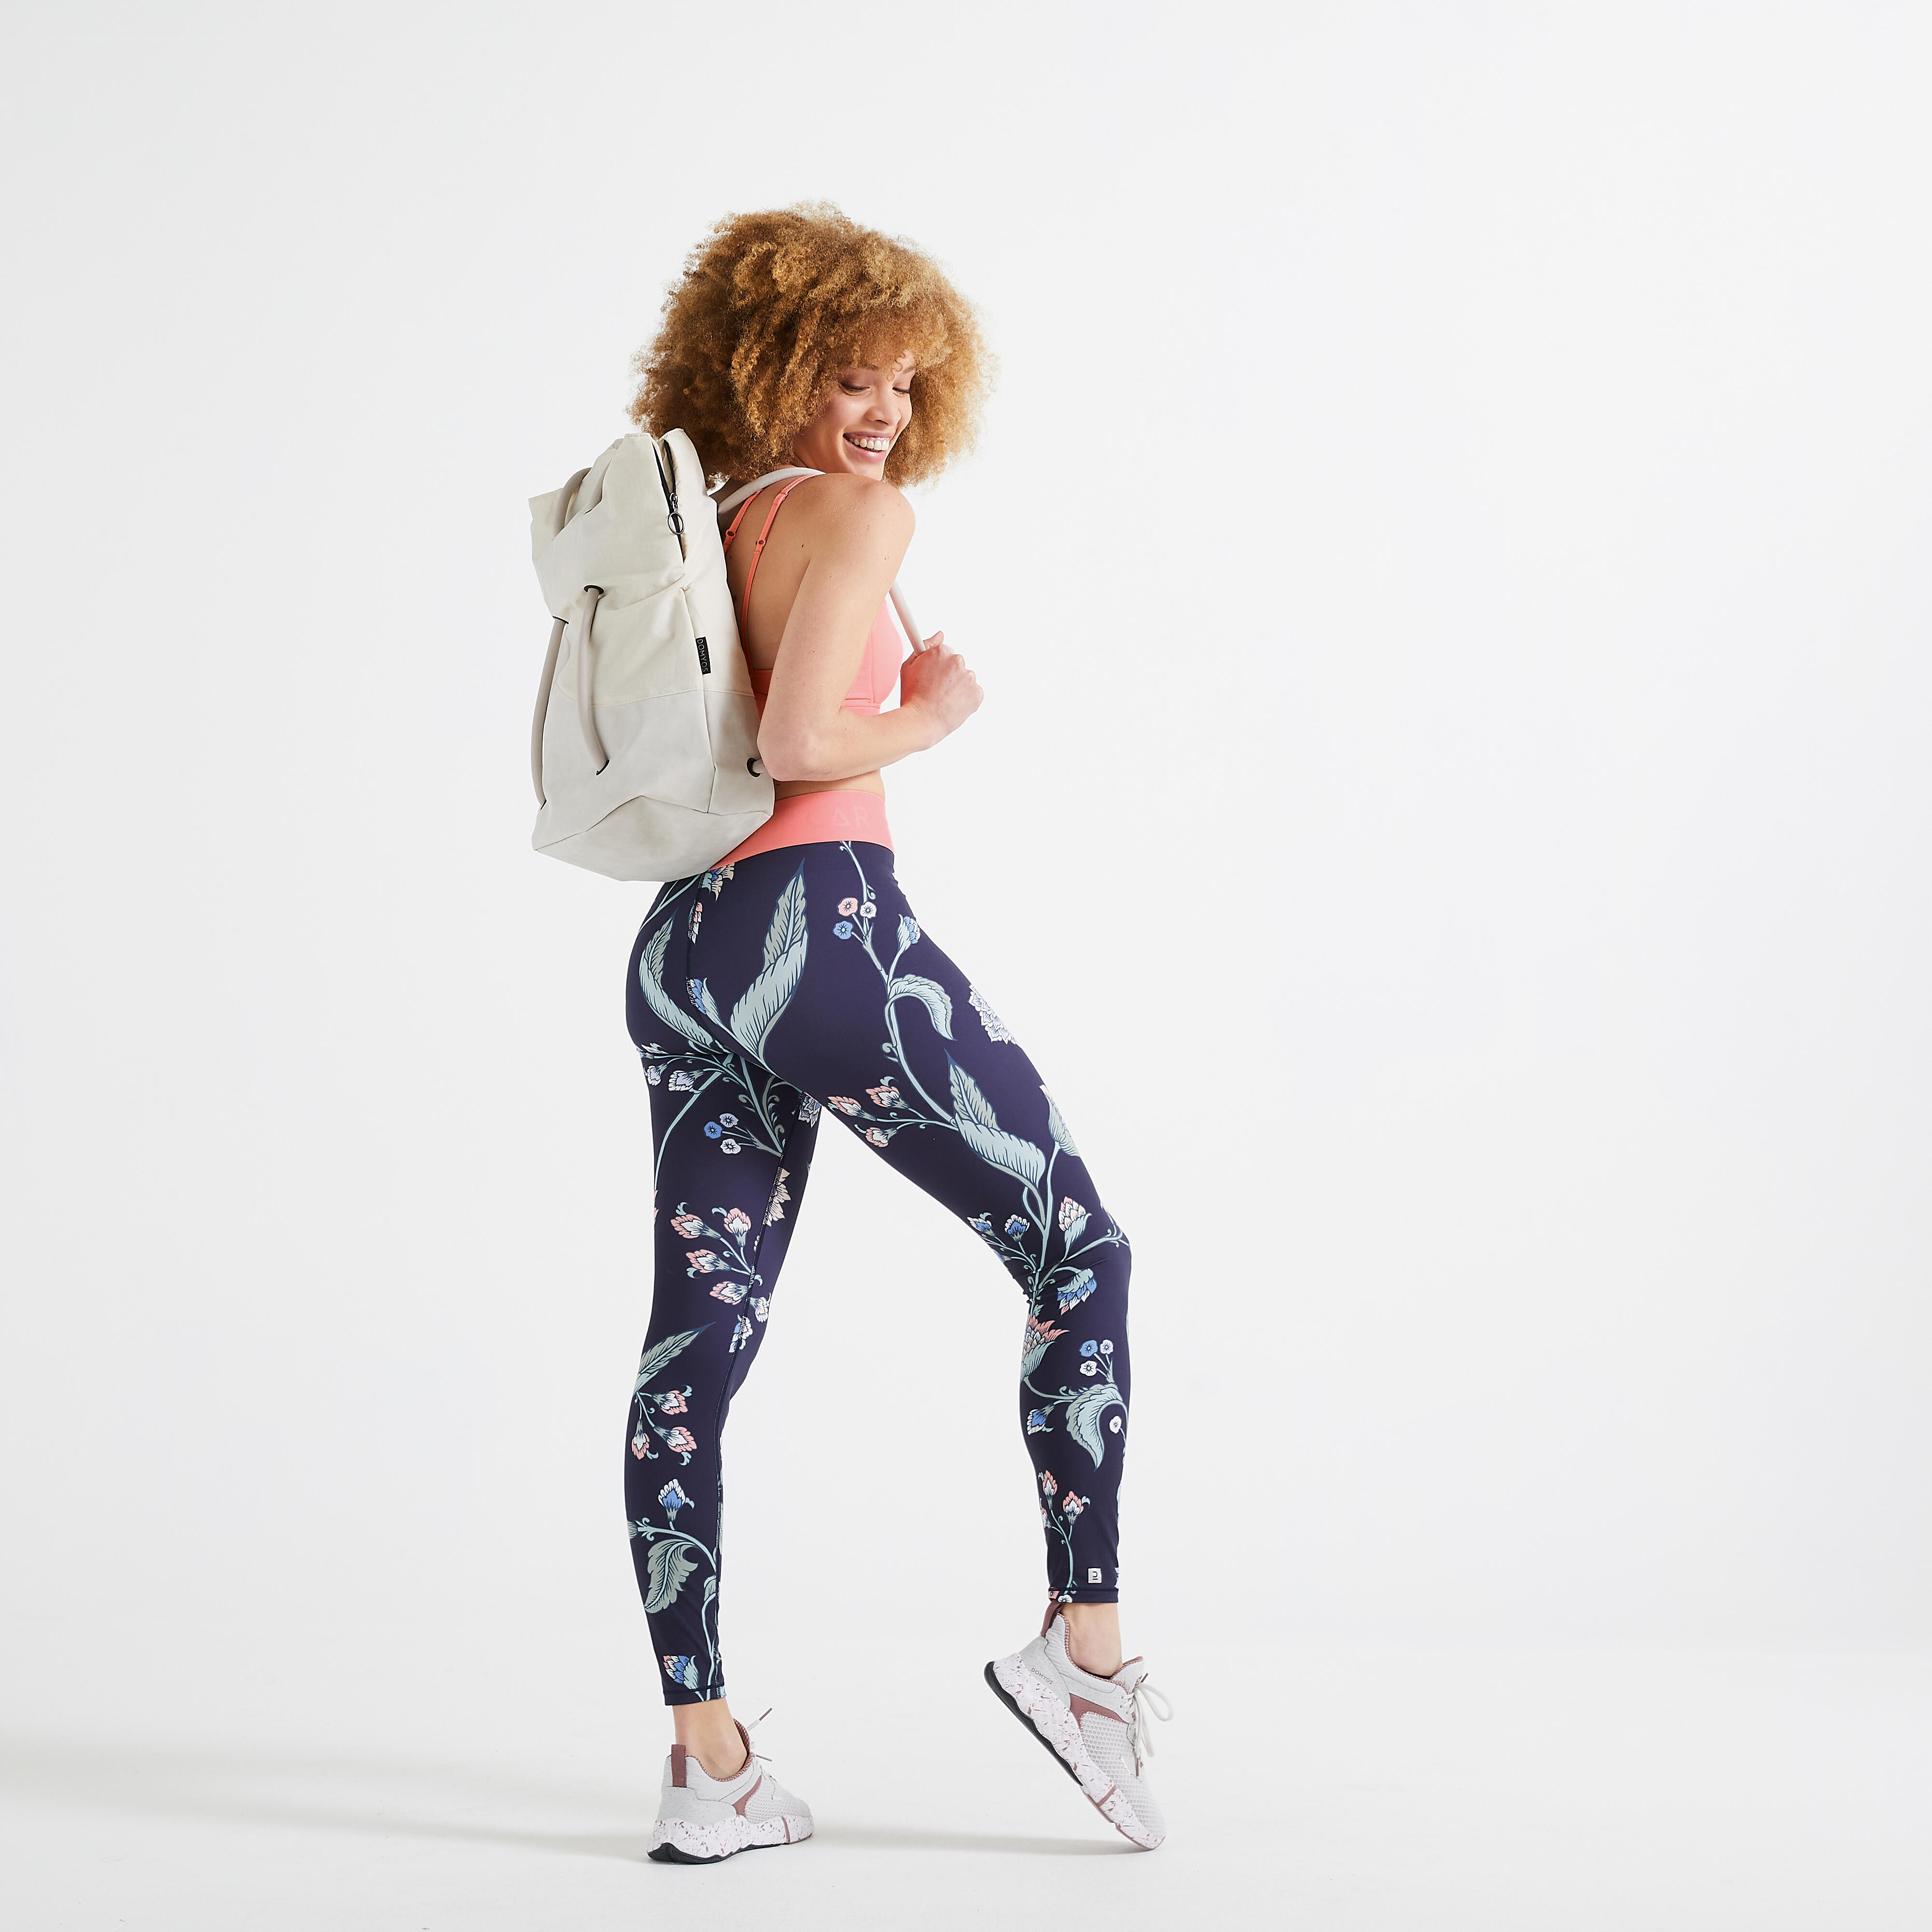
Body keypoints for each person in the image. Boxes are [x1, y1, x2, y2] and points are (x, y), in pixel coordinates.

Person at [620, 205, 1168, 1863]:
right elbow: (799, 739)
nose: (879, 411)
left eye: (903, 383)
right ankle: (1084, 1655)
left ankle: (709, 1762)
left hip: (688, 955)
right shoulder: (857, 514)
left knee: (693, 1353)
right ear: (767, 365)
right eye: (847, 374)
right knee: (1082, 1251)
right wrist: (923, 716)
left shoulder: (710, 521)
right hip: (823, 934)